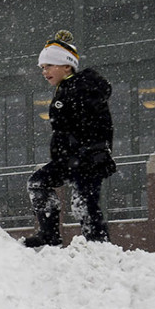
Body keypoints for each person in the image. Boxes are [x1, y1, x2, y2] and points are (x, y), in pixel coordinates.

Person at [22, 30, 116, 248]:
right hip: (68, 158)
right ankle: (49, 235)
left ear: (66, 66)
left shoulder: (83, 87)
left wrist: (98, 150)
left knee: (85, 203)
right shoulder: (65, 89)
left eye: (49, 66)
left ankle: (99, 247)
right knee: (38, 183)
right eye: (42, 68)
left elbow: (100, 121)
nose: (44, 72)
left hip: (89, 158)